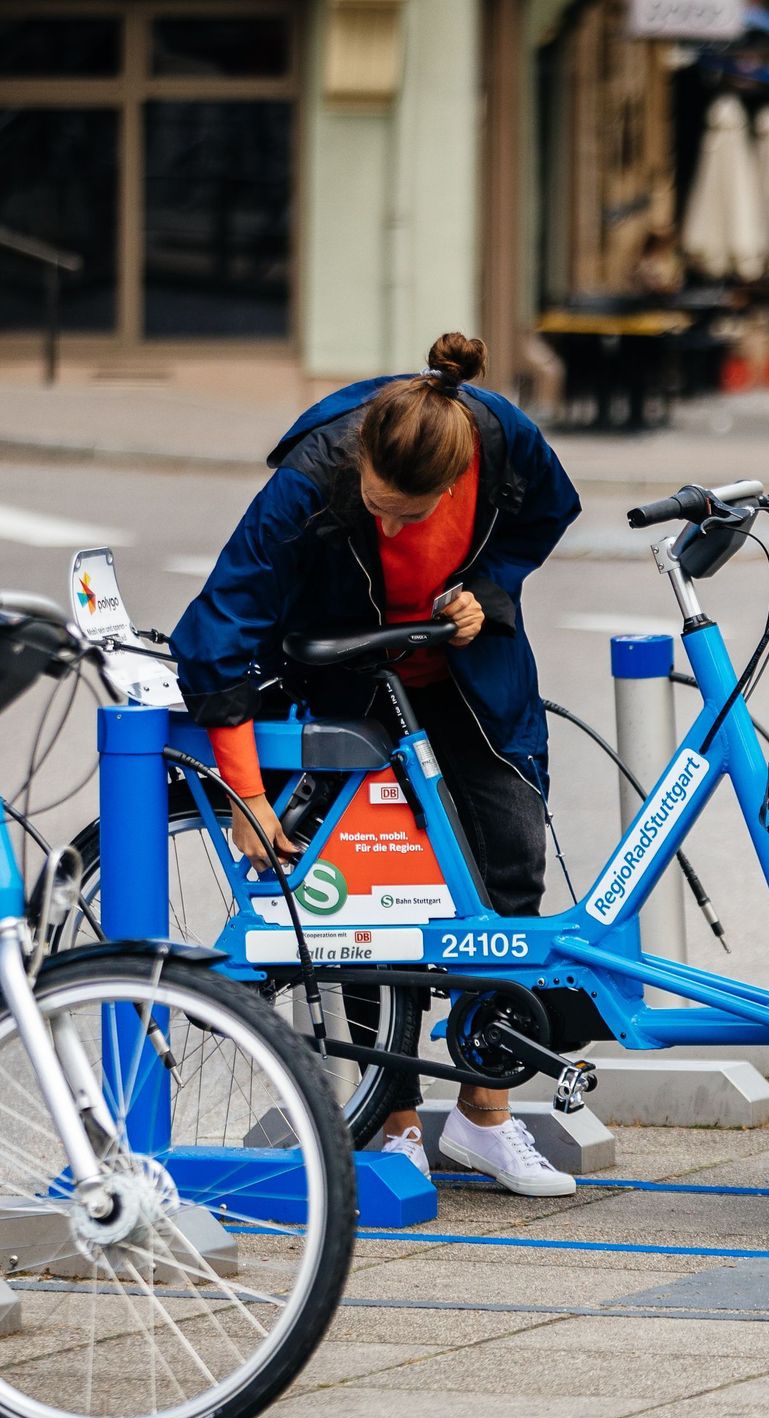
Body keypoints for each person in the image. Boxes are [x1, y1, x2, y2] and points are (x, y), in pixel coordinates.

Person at [170, 332, 584, 1197]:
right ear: (359, 455)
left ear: (456, 479)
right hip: (347, 681)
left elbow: (549, 510)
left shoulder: (501, 438)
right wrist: (246, 794)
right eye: (376, 505)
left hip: (470, 677)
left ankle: (484, 1117)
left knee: (510, 868)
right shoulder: (309, 478)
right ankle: (395, 1124)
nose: (389, 525)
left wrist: (487, 588)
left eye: (409, 513)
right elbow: (216, 633)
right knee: (365, 902)